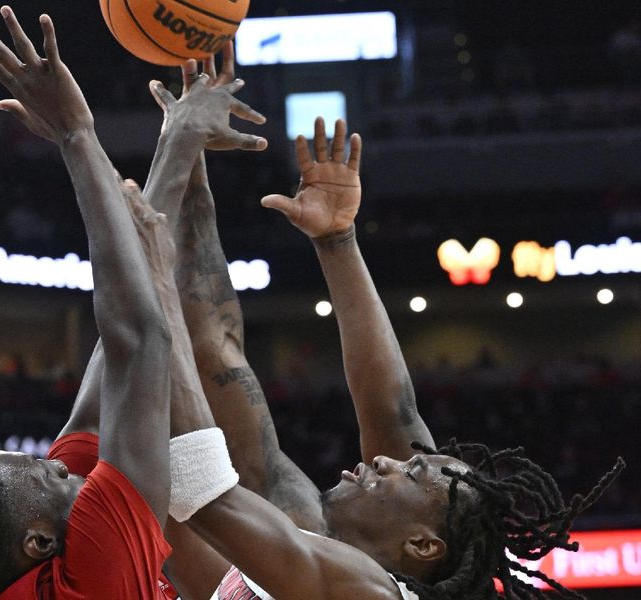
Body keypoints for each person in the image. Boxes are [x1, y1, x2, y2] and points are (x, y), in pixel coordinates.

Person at [147, 54, 626, 598]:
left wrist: (153, 280)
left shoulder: (368, 592)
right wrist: (333, 238)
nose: (381, 459)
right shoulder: (305, 532)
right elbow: (225, 353)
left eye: (412, 473)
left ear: (422, 546)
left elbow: (200, 487)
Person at [0, 7, 267, 599]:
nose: (59, 464)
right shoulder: (95, 578)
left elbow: (118, 350)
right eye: (49, 474)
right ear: (38, 543)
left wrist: (177, 143)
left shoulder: (46, 531)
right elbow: (140, 340)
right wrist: (76, 134)